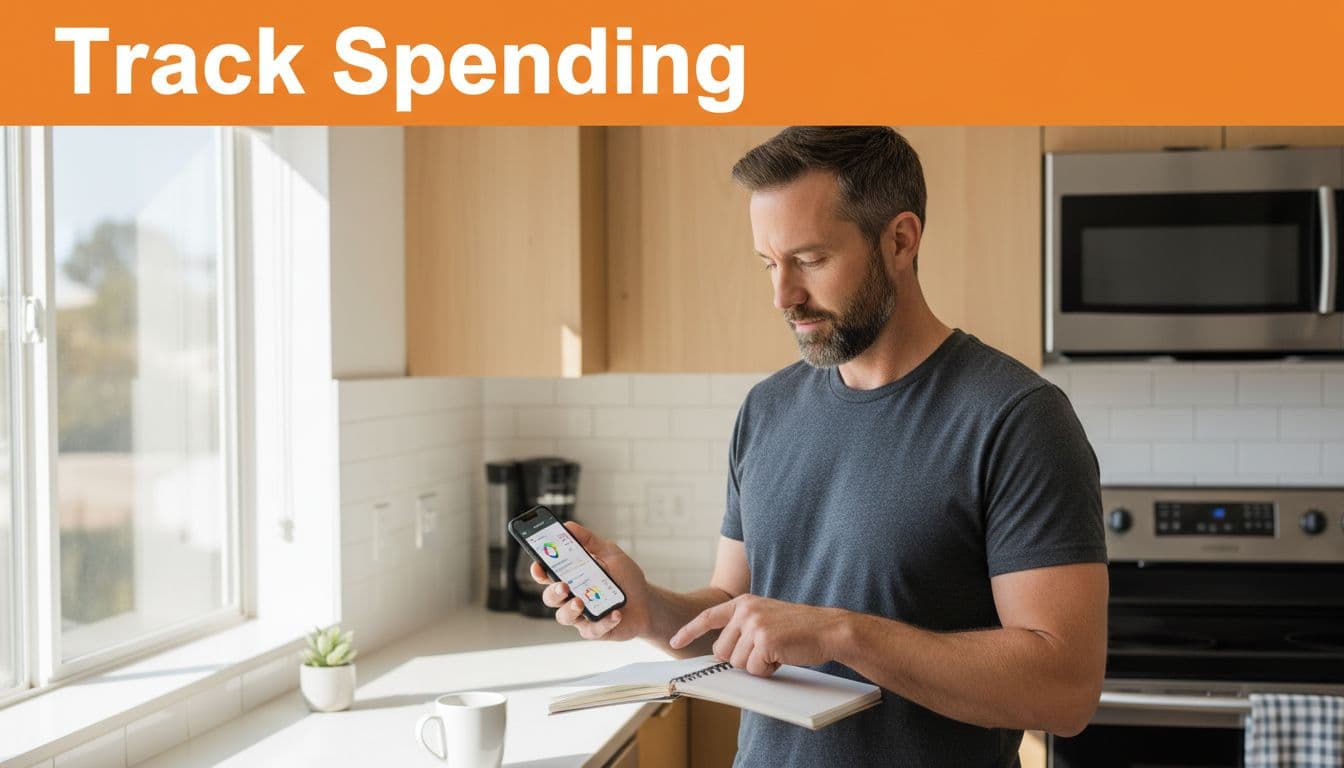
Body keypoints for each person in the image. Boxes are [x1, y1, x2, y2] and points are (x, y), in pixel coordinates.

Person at [530, 126, 1108, 767]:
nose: (784, 296)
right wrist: (651, 611)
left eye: (810, 260)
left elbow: (1066, 689)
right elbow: (734, 612)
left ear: (900, 240)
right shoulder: (768, 409)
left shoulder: (1017, 419)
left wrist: (841, 632)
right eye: (769, 264)